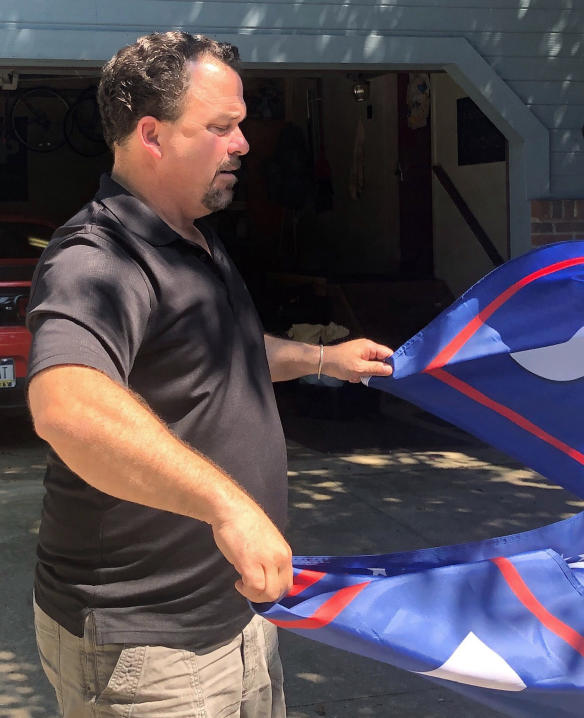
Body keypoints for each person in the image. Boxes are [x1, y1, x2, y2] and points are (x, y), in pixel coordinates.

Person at [26, 31, 393, 717]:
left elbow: (223, 349)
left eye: (240, 126)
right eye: (221, 127)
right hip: (150, 648)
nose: (243, 144)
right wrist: (229, 508)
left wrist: (321, 359)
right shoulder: (99, 255)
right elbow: (67, 405)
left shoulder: (193, 236)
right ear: (152, 135)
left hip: (236, 611)